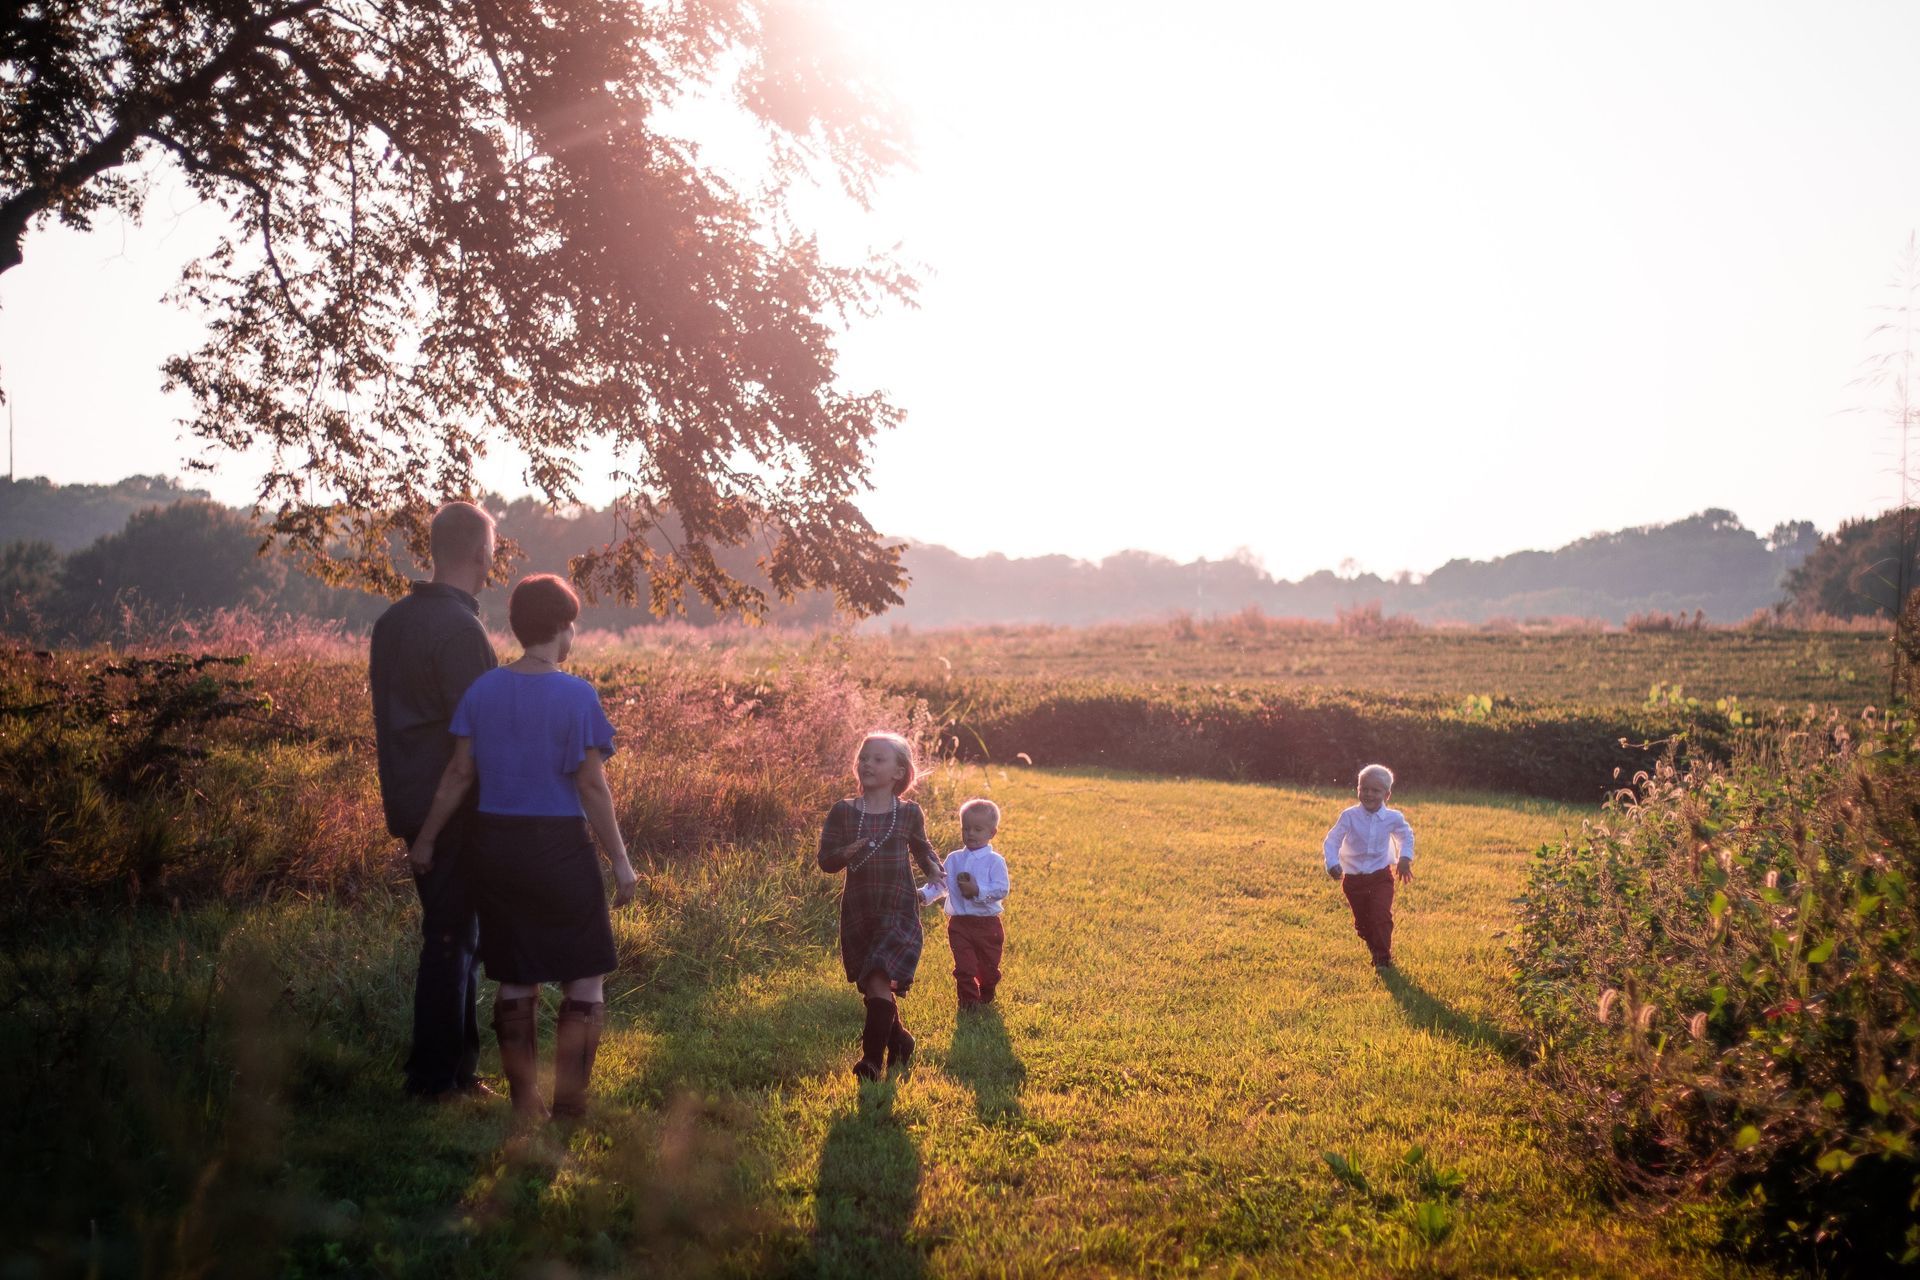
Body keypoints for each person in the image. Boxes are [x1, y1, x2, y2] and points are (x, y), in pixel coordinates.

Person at [410, 573, 638, 1122]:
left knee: (517, 973)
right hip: (558, 846)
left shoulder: (483, 690)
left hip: (495, 846)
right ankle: (570, 1106)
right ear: (564, 628)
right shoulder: (577, 694)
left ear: (516, 627)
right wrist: (622, 862)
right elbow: (591, 786)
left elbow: (459, 773)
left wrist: (426, 839)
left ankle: (524, 1105)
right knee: (584, 972)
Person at [368, 500, 498, 1100]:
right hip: (450, 804)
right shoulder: (462, 630)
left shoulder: (392, 622)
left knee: (454, 934)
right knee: (451, 939)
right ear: (480, 553)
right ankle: (433, 1079)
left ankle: (455, 1070)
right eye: (493, 548)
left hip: (408, 797)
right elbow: (476, 738)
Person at [817, 731, 944, 1081]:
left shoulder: (907, 813)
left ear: (899, 772)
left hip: (898, 908)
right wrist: (846, 852)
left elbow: (922, 848)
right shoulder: (843, 812)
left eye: (878, 759)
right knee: (872, 983)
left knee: (877, 975)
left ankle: (871, 1062)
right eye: (864, 757)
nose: (867, 764)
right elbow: (826, 861)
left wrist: (933, 867)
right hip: (859, 911)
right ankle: (900, 1040)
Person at [1321, 763, 1416, 968]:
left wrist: (1405, 858)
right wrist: (1332, 863)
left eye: (1375, 790)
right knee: (1363, 925)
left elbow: (1406, 836)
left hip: (1381, 876)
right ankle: (1374, 944)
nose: (1369, 794)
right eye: (1364, 789)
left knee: (1381, 915)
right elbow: (1332, 840)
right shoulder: (1349, 816)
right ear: (1358, 789)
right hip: (1354, 880)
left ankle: (1383, 959)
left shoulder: (1393, 818)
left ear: (1387, 794)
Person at [939, 798, 1011, 1009]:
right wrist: (924, 894)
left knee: (988, 968)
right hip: (960, 924)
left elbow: (1001, 889)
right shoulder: (954, 859)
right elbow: (942, 884)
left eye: (977, 829)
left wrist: (977, 890)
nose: (970, 833)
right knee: (965, 966)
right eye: (966, 828)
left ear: (991, 833)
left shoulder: (994, 861)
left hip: (987, 925)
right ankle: (968, 1003)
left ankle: (986, 991)